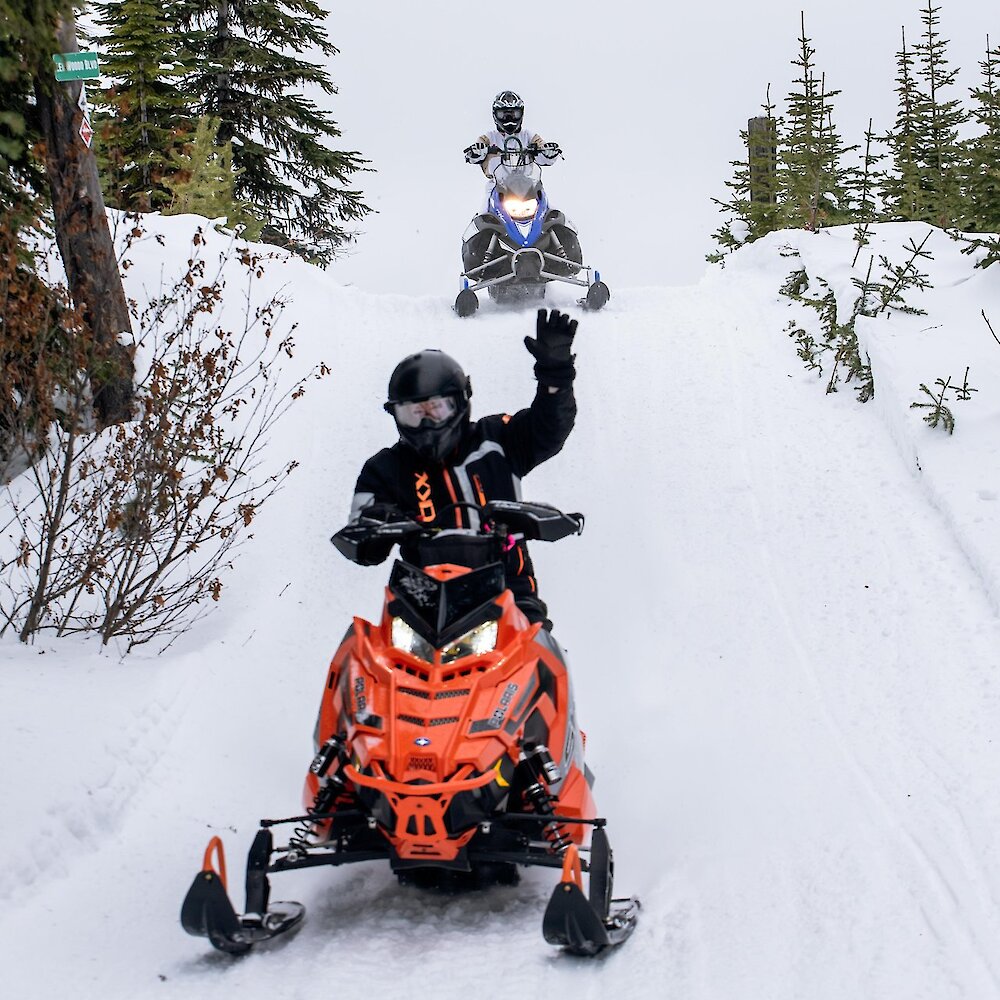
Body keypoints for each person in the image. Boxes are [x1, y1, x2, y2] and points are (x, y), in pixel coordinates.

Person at [344, 308, 578, 628]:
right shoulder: (384, 470)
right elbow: (361, 539)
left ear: (460, 402)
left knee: (544, 666)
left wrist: (555, 377)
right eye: (415, 413)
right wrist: (377, 526)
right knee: (360, 655)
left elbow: (549, 429)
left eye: (437, 409)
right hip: (421, 608)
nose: (427, 422)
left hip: (509, 597)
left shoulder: (498, 438)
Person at [464, 90, 562, 177]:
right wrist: (476, 153)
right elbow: (475, 155)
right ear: (495, 115)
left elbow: (543, 153)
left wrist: (549, 153)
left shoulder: (529, 136)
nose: (509, 119)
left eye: (514, 114)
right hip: (497, 186)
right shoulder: (488, 138)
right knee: (486, 197)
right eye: (504, 115)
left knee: (542, 195)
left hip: (529, 186)